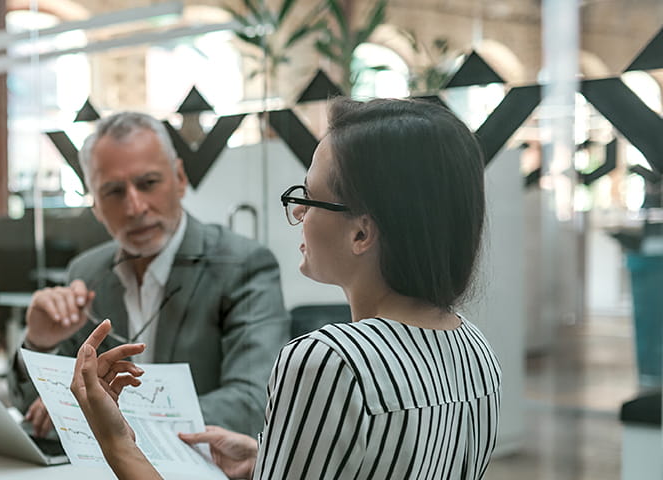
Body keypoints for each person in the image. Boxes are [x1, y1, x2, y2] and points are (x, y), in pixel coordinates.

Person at [71, 98, 502, 479]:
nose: (297, 210)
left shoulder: (326, 360)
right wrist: (270, 459)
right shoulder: (476, 350)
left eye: (309, 197)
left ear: (361, 234)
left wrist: (117, 443)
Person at [10, 111, 290, 437]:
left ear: (180, 179)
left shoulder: (243, 265)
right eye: (114, 191)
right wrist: (39, 346)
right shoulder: (86, 272)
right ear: (95, 205)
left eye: (148, 184)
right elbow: (31, 407)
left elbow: (253, 405)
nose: (135, 207)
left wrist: (107, 412)